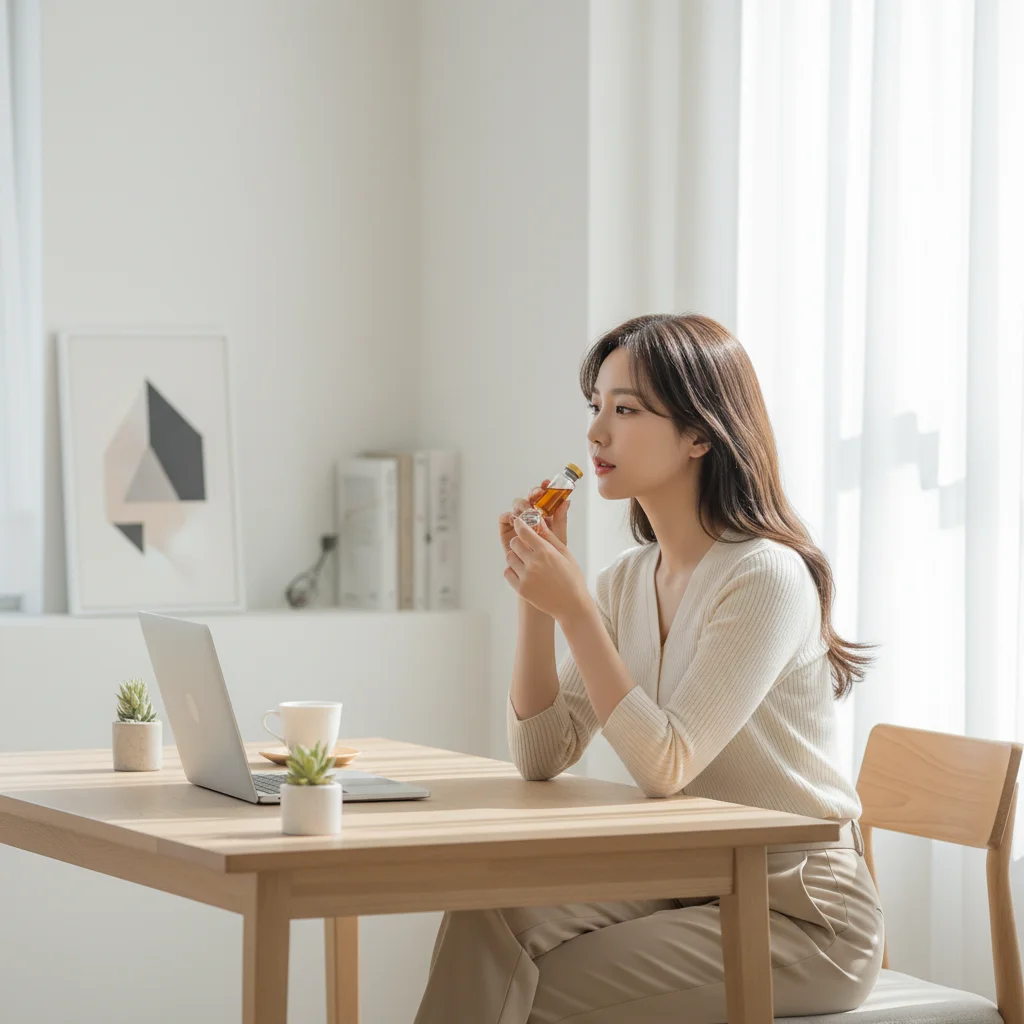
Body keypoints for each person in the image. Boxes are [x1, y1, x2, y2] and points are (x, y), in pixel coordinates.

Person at [413, 313, 884, 1024]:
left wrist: (571, 609)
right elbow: (541, 755)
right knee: (489, 920)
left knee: (536, 989)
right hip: (692, 880)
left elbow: (667, 763)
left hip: (801, 914)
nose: (597, 432)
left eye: (626, 409)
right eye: (595, 406)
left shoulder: (766, 577)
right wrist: (536, 601)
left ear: (701, 434)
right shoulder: (627, 580)